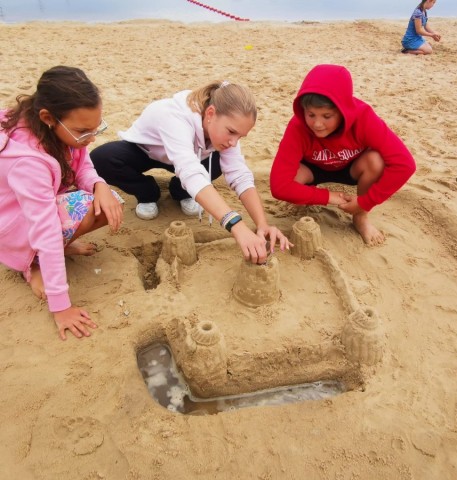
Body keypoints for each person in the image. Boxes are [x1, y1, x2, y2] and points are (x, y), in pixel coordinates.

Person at [90, 80, 292, 263]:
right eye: (231, 132)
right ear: (210, 113)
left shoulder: (225, 134)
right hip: (146, 151)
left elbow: (239, 174)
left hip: (190, 158)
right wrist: (237, 226)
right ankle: (148, 192)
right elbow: (190, 171)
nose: (234, 142)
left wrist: (262, 224)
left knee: (219, 162)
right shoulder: (175, 116)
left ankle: (181, 192)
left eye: (240, 136)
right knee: (101, 158)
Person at [0, 65, 124, 340]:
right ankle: (31, 265)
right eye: (83, 131)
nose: (91, 138)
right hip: (13, 227)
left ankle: (59, 247)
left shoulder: (60, 132)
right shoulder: (27, 162)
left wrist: (99, 185)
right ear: (48, 117)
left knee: (108, 202)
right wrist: (61, 308)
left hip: (32, 210)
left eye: (96, 129)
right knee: (79, 211)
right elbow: (44, 229)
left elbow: (83, 165)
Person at [269, 64, 416, 246]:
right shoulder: (298, 126)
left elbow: (405, 164)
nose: (317, 124)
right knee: (289, 179)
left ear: (343, 111)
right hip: (312, 169)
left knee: (376, 161)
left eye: (327, 116)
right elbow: (278, 186)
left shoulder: (363, 118)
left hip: (351, 167)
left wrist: (365, 202)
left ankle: (360, 218)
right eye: (311, 114)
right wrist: (328, 196)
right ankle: (302, 201)